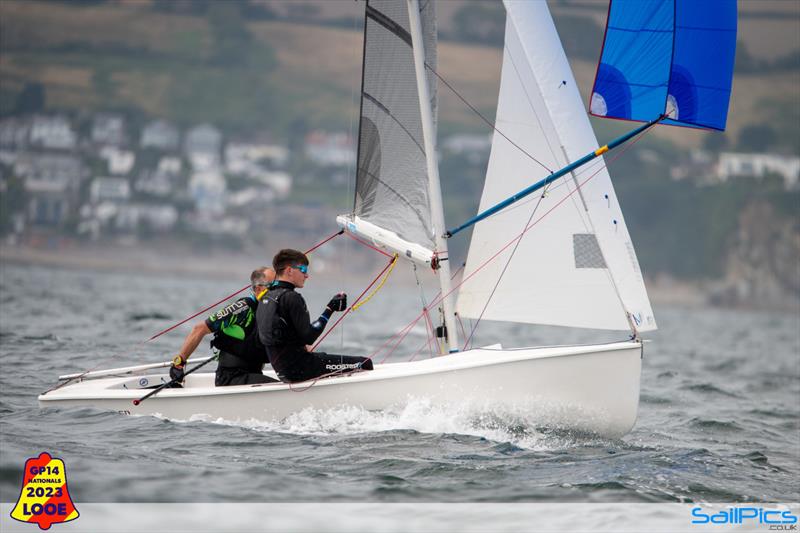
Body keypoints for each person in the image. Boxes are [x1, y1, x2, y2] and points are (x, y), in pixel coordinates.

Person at [256, 249, 373, 383]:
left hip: (283, 371)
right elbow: (310, 336)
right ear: (289, 271)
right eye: (303, 270)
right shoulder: (291, 298)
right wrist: (330, 308)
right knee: (365, 363)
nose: (306, 275)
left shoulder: (266, 297)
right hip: (300, 369)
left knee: (323, 358)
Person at [170, 267, 280, 387]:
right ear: (258, 289)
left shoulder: (270, 310)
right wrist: (179, 363)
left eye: (279, 286)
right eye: (273, 286)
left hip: (253, 374)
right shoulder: (242, 307)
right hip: (231, 378)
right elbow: (199, 329)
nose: (279, 291)